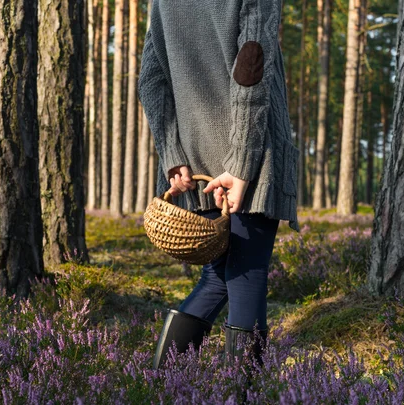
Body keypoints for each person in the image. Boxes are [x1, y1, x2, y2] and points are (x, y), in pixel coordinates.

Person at [137, 0, 300, 369]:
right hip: (249, 159)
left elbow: (151, 81)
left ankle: (161, 385)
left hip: (198, 165)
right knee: (246, 275)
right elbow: (251, 68)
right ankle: (243, 395)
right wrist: (241, 165)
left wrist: (174, 152)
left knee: (217, 278)